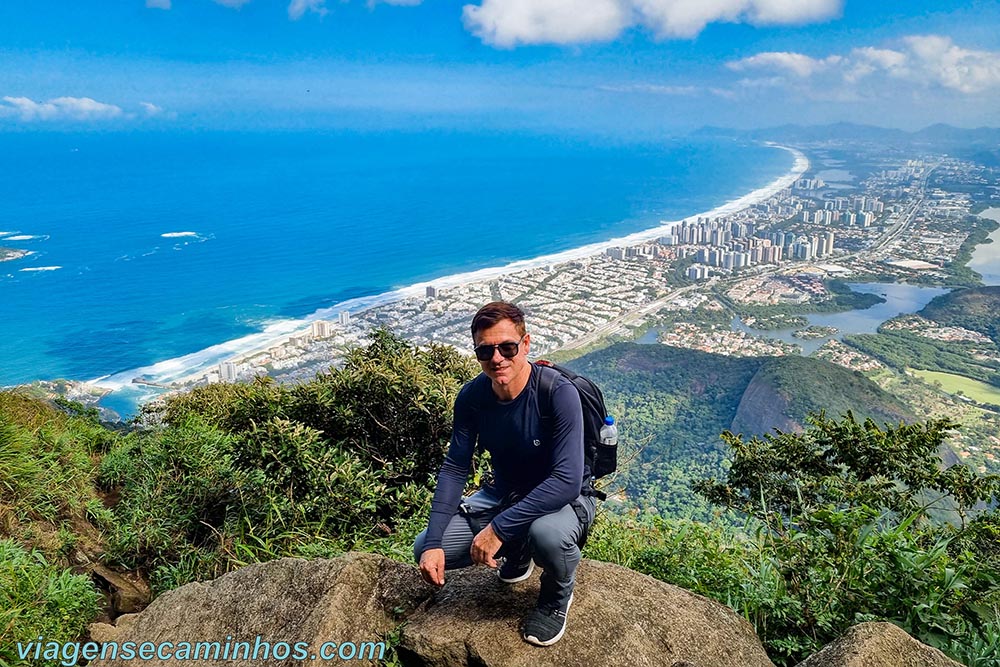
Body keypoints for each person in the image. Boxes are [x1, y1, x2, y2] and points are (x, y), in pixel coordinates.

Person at [413, 301, 596, 647]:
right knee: (423, 546)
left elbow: (567, 480)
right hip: (506, 494)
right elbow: (455, 467)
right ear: (476, 352)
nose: (497, 358)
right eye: (485, 350)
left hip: (564, 501)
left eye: (507, 347)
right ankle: (519, 550)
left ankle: (557, 597)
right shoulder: (472, 397)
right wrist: (436, 541)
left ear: (525, 345)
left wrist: (497, 529)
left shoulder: (557, 393)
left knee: (548, 535)